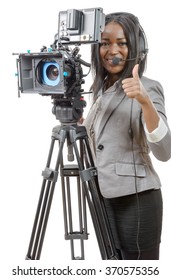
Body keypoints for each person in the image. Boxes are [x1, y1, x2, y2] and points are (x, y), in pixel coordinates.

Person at [83, 12, 171, 260]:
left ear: (136, 47)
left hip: (137, 200)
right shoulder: (101, 91)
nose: (112, 50)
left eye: (121, 43)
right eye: (104, 43)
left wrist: (145, 102)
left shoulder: (148, 86)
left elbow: (165, 151)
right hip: (104, 198)